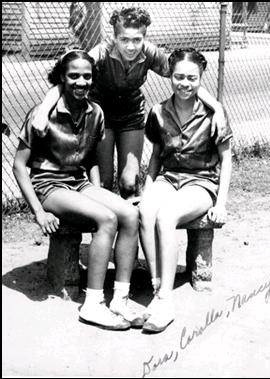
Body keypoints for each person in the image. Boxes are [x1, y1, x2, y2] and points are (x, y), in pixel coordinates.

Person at [31, 6, 226, 201]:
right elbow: (63, 81)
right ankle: (105, 226)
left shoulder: (149, 52)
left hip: (131, 114)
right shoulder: (102, 52)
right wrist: (43, 111)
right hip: (101, 116)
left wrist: (216, 107)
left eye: (137, 40)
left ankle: (132, 228)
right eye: (124, 39)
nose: (131, 47)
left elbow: (184, 79)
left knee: (129, 183)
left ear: (144, 37)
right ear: (115, 37)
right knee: (104, 183)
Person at [13, 49, 144, 331]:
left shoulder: (94, 112)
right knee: (107, 219)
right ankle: (93, 304)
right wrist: (38, 211)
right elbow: (19, 166)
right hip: (48, 185)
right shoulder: (41, 114)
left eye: (87, 76)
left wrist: (98, 194)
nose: (81, 82)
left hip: (78, 182)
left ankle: (120, 298)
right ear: (62, 77)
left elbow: (92, 158)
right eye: (73, 76)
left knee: (130, 215)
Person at [139, 48, 233, 333]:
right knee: (145, 210)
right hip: (169, 178)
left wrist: (221, 202)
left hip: (200, 182)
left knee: (166, 216)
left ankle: (165, 301)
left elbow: (227, 159)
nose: (185, 83)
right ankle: (158, 286)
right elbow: (156, 156)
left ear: (200, 78)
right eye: (179, 76)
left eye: (192, 78)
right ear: (170, 76)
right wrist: (148, 187)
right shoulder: (158, 111)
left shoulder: (213, 113)